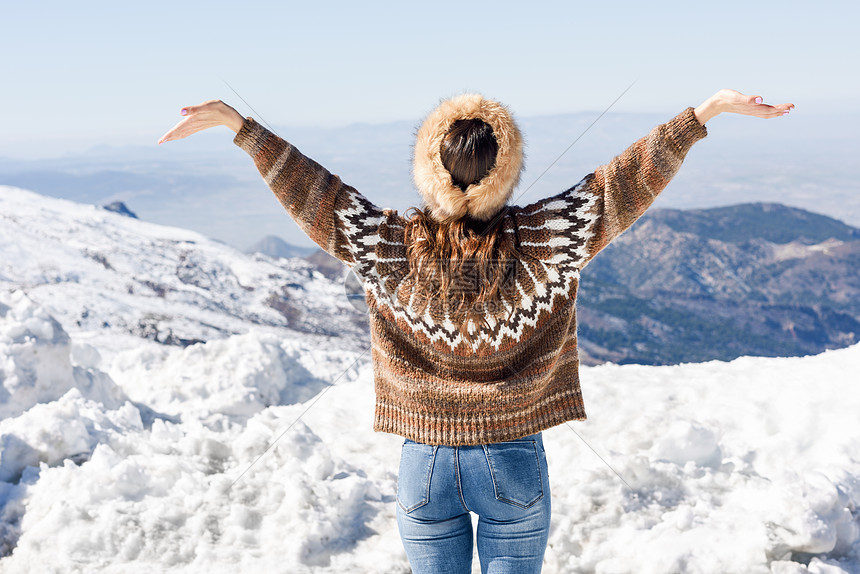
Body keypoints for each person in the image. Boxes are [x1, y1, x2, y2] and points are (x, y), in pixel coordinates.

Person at [159, 89, 793, 574]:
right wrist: (706, 111)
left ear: (429, 167)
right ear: (504, 170)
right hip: (513, 454)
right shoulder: (549, 239)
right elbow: (625, 182)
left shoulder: (388, 245)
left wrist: (238, 126)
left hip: (423, 460)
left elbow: (314, 192)